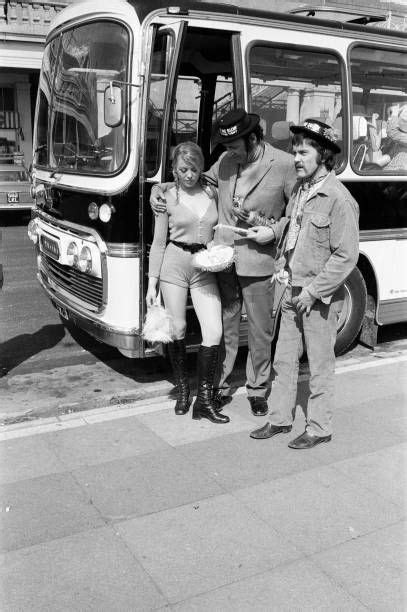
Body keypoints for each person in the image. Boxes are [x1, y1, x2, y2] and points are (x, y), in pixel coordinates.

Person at [151, 108, 296, 417]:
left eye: (233, 147)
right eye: (227, 148)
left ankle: (257, 389)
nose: (228, 153)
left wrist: (270, 230)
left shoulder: (283, 164)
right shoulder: (226, 161)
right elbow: (191, 179)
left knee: (260, 331)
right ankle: (219, 387)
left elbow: (295, 214)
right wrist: (157, 189)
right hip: (223, 261)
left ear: (253, 139)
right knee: (226, 328)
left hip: (259, 260)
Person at [249, 119, 359, 448]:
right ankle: (280, 419)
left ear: (323, 155)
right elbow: (294, 231)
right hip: (291, 290)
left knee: (320, 364)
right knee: (283, 359)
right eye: (294, 151)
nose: (296, 158)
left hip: (318, 297)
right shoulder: (300, 190)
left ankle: (320, 428)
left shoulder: (338, 198)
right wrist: (280, 260)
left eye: (304, 152)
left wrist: (313, 292)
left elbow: (345, 256)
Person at [146, 142, 229, 425]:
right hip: (175, 263)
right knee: (178, 327)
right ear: (174, 169)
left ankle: (204, 400)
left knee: (214, 331)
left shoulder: (212, 191)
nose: (190, 175)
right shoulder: (165, 196)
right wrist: (151, 284)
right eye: (183, 169)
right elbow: (158, 243)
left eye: (194, 169)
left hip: (204, 265)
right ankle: (183, 389)